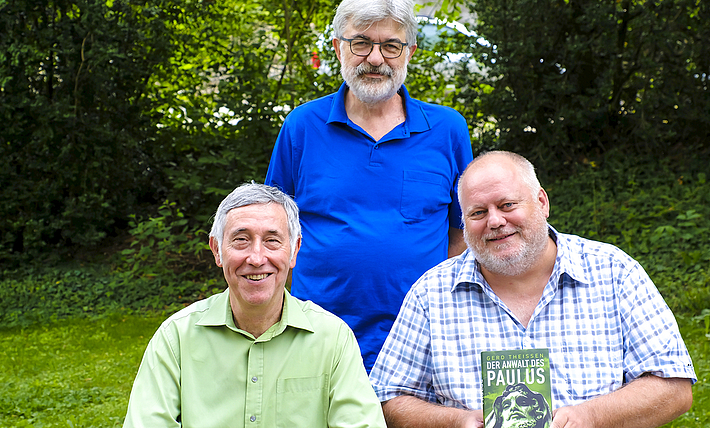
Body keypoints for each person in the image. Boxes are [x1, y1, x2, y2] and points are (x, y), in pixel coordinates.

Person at [369, 151, 696, 428]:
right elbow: (387, 397)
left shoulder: (614, 272)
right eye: (478, 213)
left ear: (541, 202)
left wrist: (591, 416)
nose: (495, 221)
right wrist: (457, 421)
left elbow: (675, 388)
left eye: (507, 205)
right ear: (464, 222)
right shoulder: (431, 293)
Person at [265, 0, 473, 372]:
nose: (375, 58)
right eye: (361, 43)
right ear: (337, 47)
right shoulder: (302, 126)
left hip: (423, 338)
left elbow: (462, 231)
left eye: (390, 46)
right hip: (319, 335)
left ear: (409, 51)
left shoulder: (448, 130)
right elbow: (274, 227)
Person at [123, 183, 386, 428]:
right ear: (217, 250)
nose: (257, 258)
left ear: (294, 250)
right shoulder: (176, 338)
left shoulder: (333, 339)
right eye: (241, 239)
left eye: (272, 240)